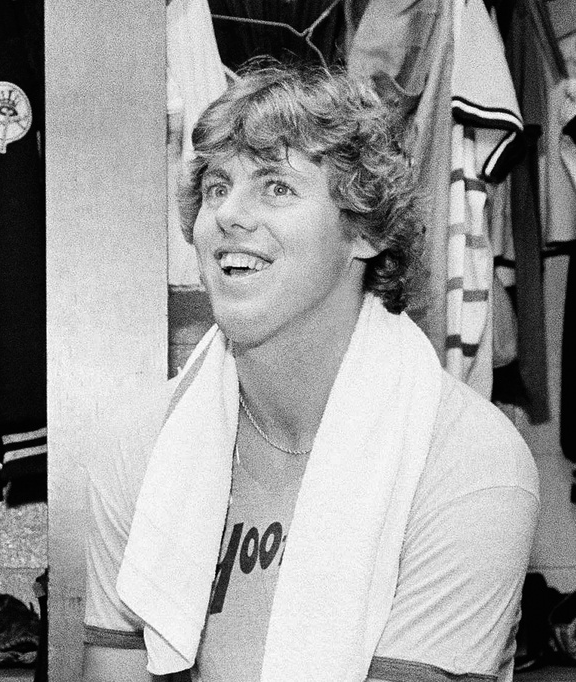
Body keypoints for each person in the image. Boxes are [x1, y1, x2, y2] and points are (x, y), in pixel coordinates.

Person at [81, 62, 539, 682]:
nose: (229, 216)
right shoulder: (140, 446)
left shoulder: (468, 464)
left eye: (276, 187)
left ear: (364, 229)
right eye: (217, 187)